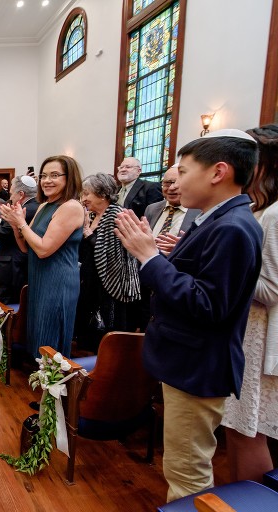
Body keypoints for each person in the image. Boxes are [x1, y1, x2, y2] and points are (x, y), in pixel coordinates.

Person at [115, 129, 263, 502]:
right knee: (183, 466)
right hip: (188, 359)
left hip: (197, 365)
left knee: (187, 473)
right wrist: (168, 258)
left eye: (183, 171)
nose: (175, 182)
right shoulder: (218, 218)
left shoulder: (232, 226)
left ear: (218, 172)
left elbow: (208, 305)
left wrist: (149, 257)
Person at [221, 123, 278, 482]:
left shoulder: (273, 215)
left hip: (258, 334)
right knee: (237, 428)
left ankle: (248, 499)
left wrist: (222, 268)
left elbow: (271, 289)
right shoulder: (260, 209)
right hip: (246, 329)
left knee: (246, 429)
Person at [0, 155, 84, 358]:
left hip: (58, 280)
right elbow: (25, 247)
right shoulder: (43, 206)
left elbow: (44, 249)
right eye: (43, 176)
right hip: (39, 277)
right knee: (38, 333)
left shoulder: (71, 207)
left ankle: (53, 376)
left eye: (54, 175)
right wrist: (15, 225)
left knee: (51, 335)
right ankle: (41, 373)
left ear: (69, 177)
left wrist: (21, 223)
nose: (47, 181)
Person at [74, 173, 141, 352]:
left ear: (102, 194)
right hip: (90, 280)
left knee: (106, 327)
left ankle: (104, 361)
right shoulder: (91, 215)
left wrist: (88, 234)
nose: (83, 199)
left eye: (87, 194)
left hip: (110, 283)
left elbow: (113, 253)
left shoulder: (117, 215)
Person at [0, 175, 39, 303]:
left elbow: (4, 234)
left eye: (11, 194)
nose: (10, 198)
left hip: (14, 268)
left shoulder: (23, 210)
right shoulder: (38, 207)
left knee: (9, 306)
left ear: (21, 194)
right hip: (25, 265)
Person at [144, 164, 200, 254]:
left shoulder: (200, 211)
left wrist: (183, 249)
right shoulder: (152, 209)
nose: (171, 188)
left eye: (177, 183)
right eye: (167, 183)